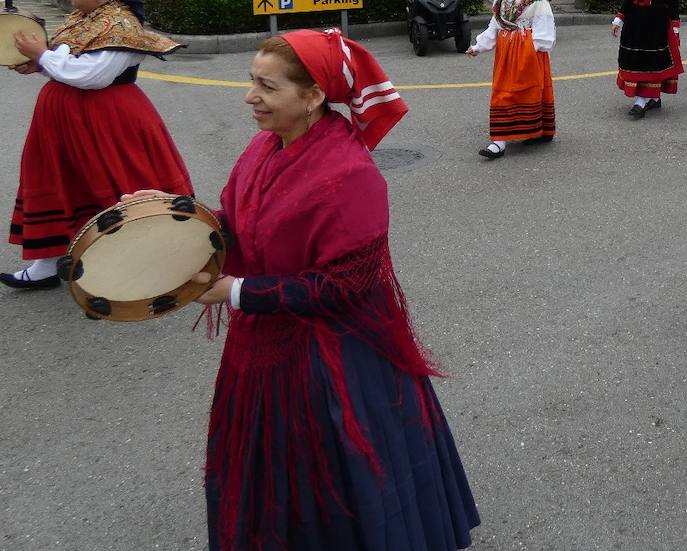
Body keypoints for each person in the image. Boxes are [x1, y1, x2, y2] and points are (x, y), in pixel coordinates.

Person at [183, 30, 479, 550]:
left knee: (334, 481)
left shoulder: (349, 173)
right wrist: (177, 222)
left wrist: (237, 292)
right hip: (266, 345)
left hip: (334, 360)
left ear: (314, 96)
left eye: (267, 87)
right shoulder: (264, 145)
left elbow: (343, 286)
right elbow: (240, 218)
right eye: (252, 82)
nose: (251, 97)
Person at [3, 0, 193, 290]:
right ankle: (48, 262)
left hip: (105, 120)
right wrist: (40, 64)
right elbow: (70, 62)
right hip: (65, 120)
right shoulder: (84, 17)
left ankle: (146, 261)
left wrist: (43, 56)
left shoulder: (121, 25)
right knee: (57, 181)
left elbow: (92, 76)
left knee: (120, 183)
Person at [466, 0, 556, 158]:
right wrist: (479, 45)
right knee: (503, 91)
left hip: (526, 47)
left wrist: (537, 48)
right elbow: (496, 22)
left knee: (526, 91)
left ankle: (531, 131)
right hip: (507, 48)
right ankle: (499, 140)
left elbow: (544, 20)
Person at [612, 0, 682, 118]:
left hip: (655, 26)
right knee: (634, 60)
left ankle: (642, 100)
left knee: (649, 62)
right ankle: (651, 98)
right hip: (634, 25)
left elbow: (673, 4)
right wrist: (619, 19)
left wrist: (675, 27)